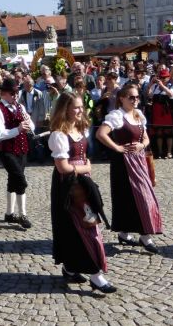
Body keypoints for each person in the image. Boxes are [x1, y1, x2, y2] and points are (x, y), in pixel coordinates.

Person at [48, 93, 113, 293]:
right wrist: (84, 168)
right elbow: (62, 167)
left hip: (82, 183)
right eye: (75, 107)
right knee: (83, 225)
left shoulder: (79, 129)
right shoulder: (58, 134)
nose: (80, 111)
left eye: (80, 107)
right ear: (65, 109)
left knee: (82, 225)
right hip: (68, 185)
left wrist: (85, 171)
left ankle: (70, 267)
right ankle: (96, 275)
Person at [96, 85, 163, 254]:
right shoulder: (117, 116)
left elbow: (146, 138)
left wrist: (142, 144)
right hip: (123, 163)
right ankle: (127, 233)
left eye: (137, 97)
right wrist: (117, 148)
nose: (135, 100)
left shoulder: (139, 115)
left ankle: (144, 234)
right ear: (122, 98)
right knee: (125, 197)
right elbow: (101, 134)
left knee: (145, 195)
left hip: (139, 161)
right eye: (131, 97)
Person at [0, 78, 34, 229]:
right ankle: (22, 214)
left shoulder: (20, 106)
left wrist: (28, 124)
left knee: (13, 180)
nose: (16, 95)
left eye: (17, 92)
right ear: (4, 94)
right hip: (7, 150)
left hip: (22, 148)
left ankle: (9, 213)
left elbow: (31, 125)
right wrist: (18, 129)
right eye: (12, 92)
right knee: (20, 179)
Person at [145, 68, 173, 159]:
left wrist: (162, 85)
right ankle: (160, 152)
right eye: (161, 78)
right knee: (159, 133)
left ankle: (169, 152)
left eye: (164, 78)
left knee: (169, 133)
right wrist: (151, 83)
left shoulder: (171, 86)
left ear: (168, 78)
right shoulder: (155, 87)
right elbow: (149, 94)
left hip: (167, 113)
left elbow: (171, 94)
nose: (162, 79)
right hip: (157, 112)